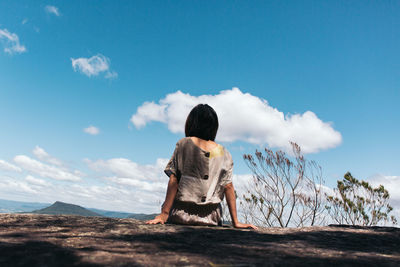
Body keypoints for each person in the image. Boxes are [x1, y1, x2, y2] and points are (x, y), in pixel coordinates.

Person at [146, 104, 257, 229]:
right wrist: (235, 221)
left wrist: (164, 214)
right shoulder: (224, 152)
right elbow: (228, 186)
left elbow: (174, 180)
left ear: (191, 123)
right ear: (214, 127)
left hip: (181, 215)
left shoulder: (184, 143)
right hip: (212, 218)